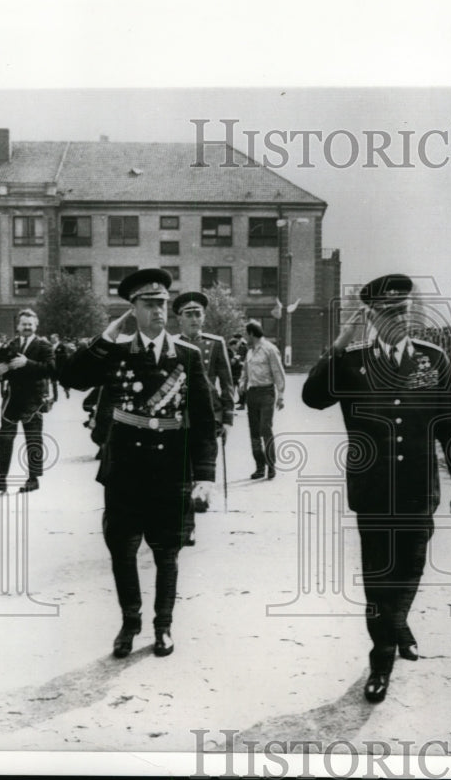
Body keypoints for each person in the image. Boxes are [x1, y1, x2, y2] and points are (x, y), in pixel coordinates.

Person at [301, 274, 451, 704]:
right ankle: (381, 661)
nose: (399, 319)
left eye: (404, 311)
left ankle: (398, 623)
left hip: (418, 487)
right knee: (379, 580)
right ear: (371, 317)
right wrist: (340, 342)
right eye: (388, 313)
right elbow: (312, 397)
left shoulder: (432, 359)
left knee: (411, 567)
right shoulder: (351, 361)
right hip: (374, 489)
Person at [59, 268, 216, 658]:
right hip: (125, 470)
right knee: (123, 550)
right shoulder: (115, 351)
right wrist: (109, 334)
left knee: (167, 553)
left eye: (162, 303)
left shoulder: (188, 356)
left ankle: (163, 626)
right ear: (133, 309)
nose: (159, 311)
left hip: (170, 470)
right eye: (149, 304)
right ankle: (130, 622)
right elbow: (73, 377)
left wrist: (205, 477)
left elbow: (204, 422)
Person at [172, 291, 235, 507]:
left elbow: (227, 384)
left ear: (204, 317)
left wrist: (228, 419)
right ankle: (186, 495)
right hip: (180, 410)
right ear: (179, 318)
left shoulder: (216, 343)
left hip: (209, 411)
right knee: (182, 455)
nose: (194, 319)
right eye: (188, 315)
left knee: (207, 453)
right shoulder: (171, 344)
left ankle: (202, 495)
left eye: (198, 314)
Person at [0, 309, 54, 494]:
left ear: (36, 325)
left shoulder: (44, 346)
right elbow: (3, 370)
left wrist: (27, 363)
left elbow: (51, 369)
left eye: (30, 324)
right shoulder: (11, 345)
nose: (27, 327)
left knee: (33, 439)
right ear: (18, 326)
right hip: (12, 399)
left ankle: (33, 479)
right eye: (24, 324)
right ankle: (1, 479)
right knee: (4, 438)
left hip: (34, 399)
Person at [240, 320, 286, 480]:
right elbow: (245, 371)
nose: (246, 337)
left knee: (265, 429)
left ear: (252, 333)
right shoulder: (249, 352)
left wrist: (280, 395)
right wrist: (241, 384)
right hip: (252, 394)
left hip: (267, 393)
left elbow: (278, 372)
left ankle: (271, 466)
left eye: (247, 334)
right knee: (254, 432)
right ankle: (260, 467)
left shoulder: (270, 349)